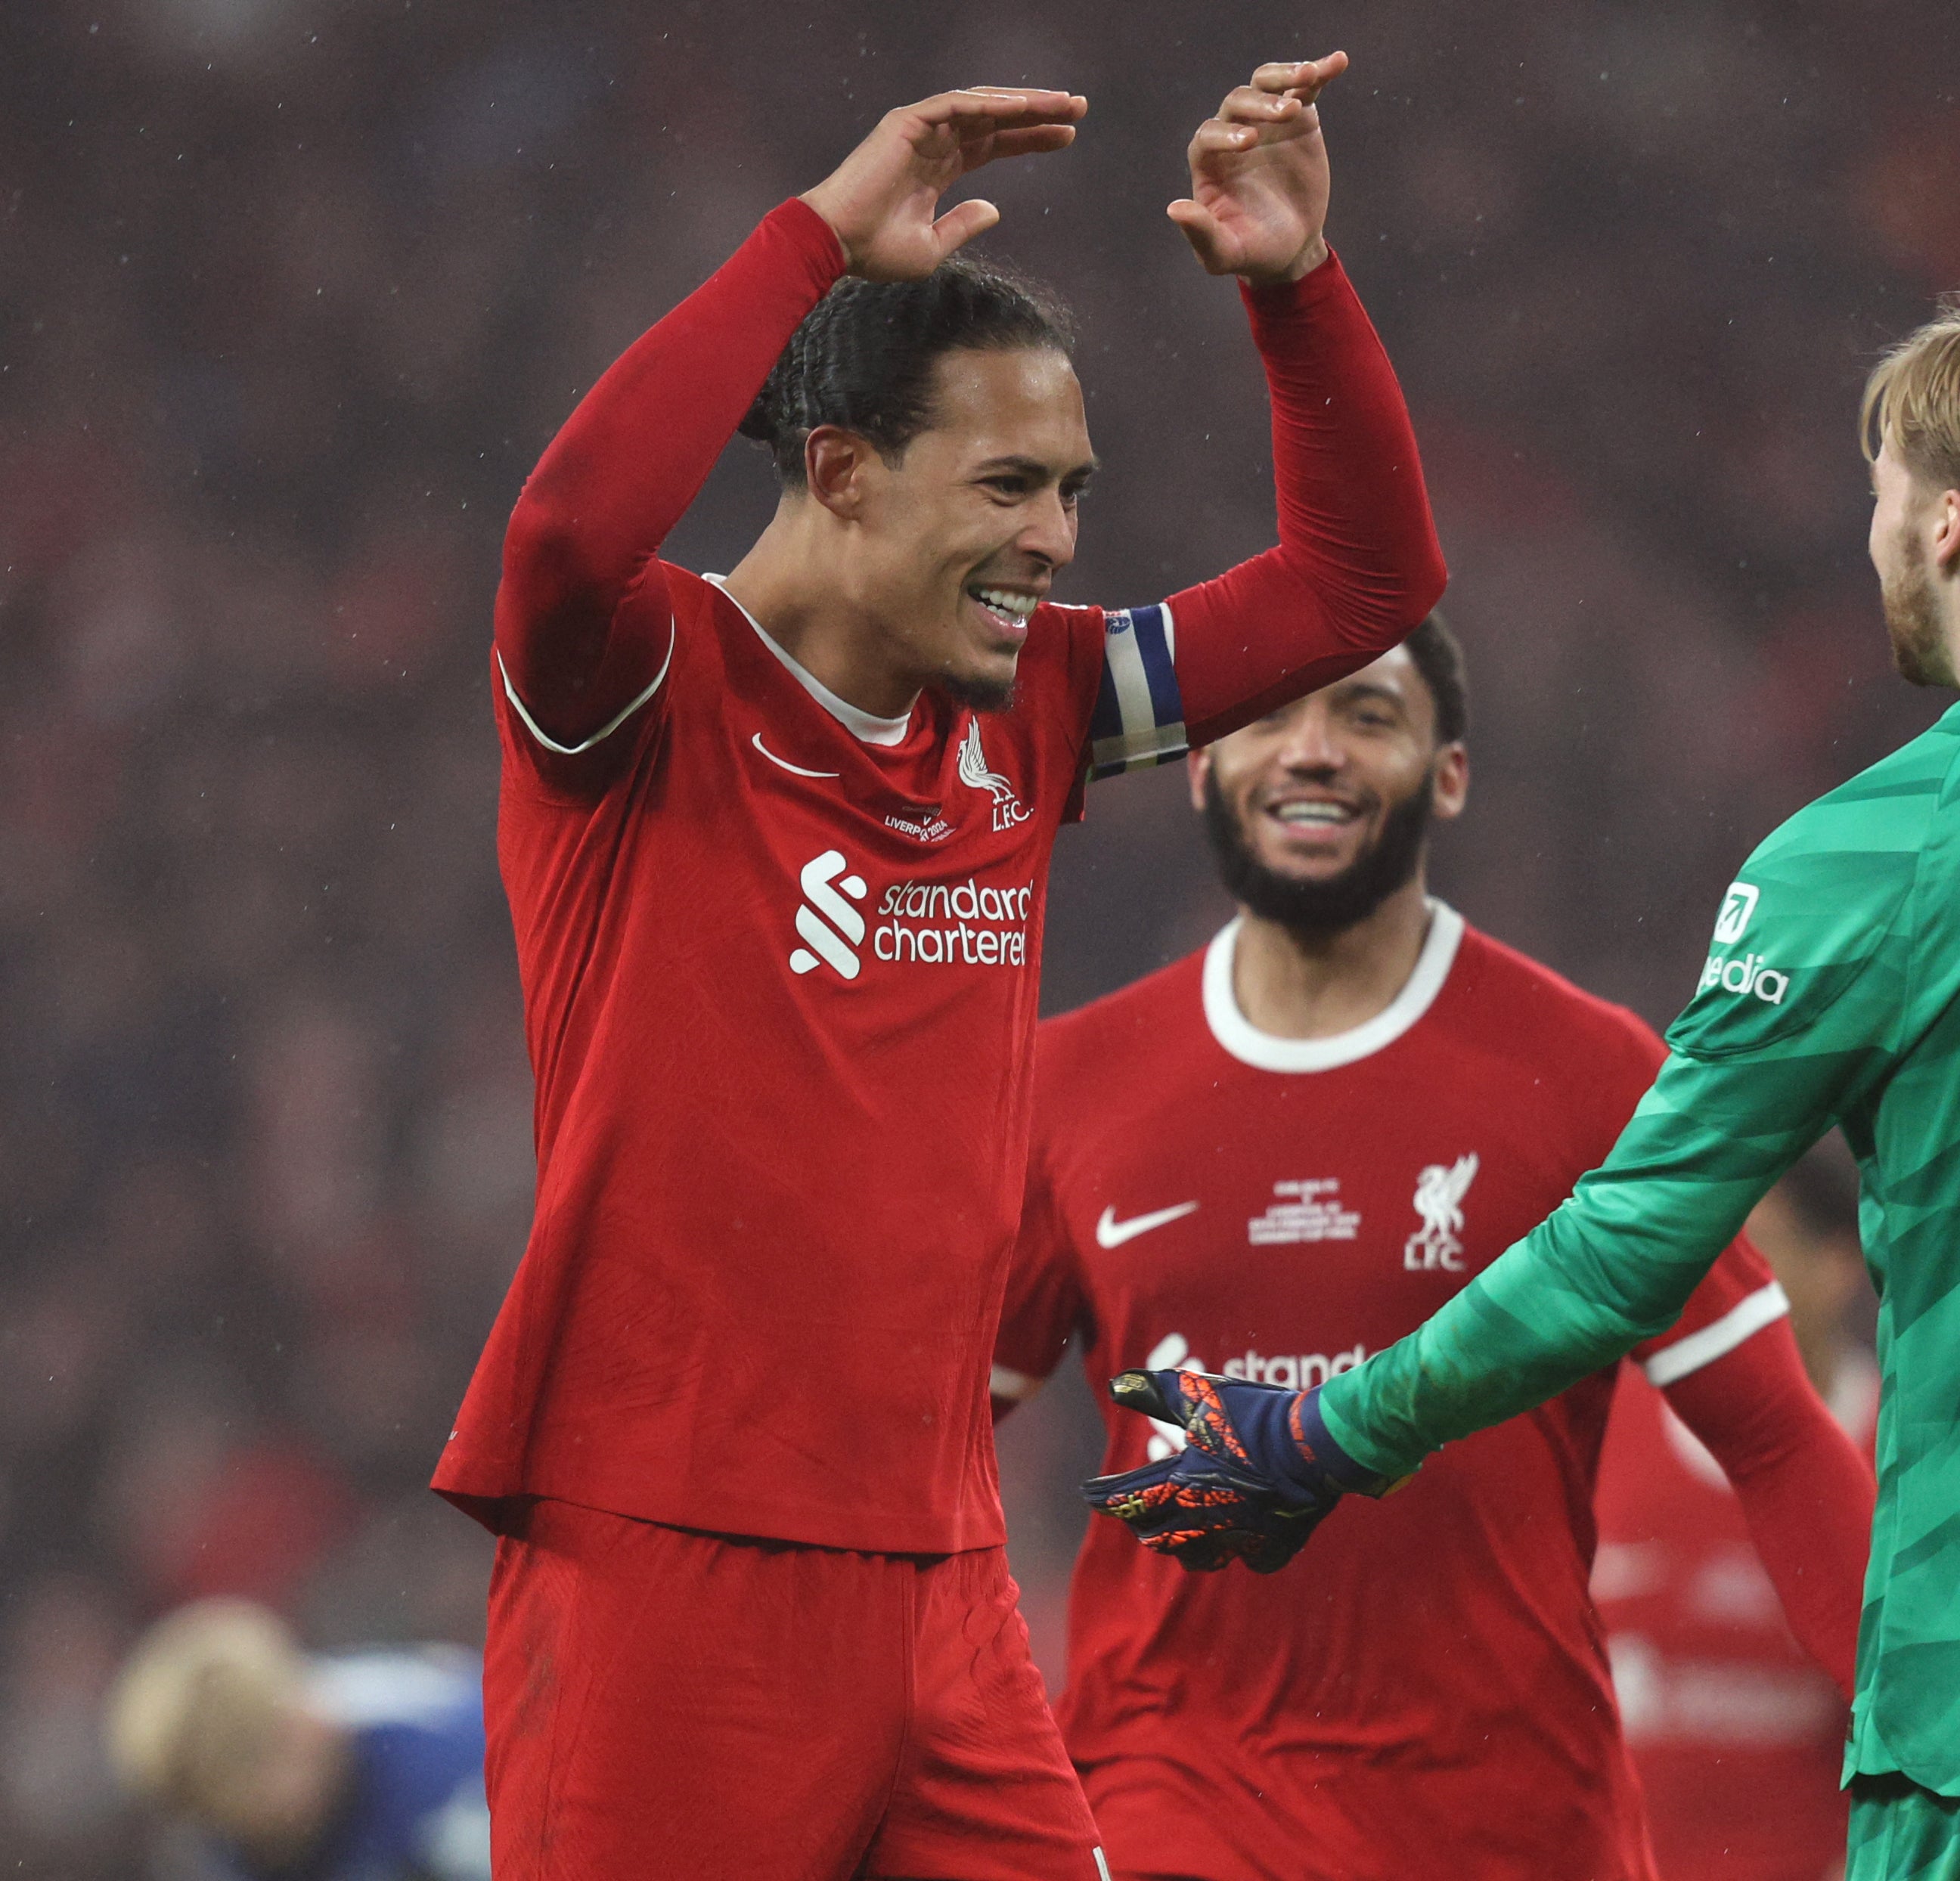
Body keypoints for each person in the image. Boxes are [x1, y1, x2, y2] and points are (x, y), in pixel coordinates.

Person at [1090, 287, 1960, 1881]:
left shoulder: (1873, 848)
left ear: (1950, 524)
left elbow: (1629, 1248)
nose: (1871, 534)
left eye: (1881, 494)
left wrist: (1327, 1431)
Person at [434, 54, 1445, 1881]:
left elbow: (1363, 585)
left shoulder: (1035, 705)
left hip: (947, 1570)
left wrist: (1295, 285)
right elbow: (563, 533)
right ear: (839, 470)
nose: (1053, 541)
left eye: (1068, 490)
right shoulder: (644, 688)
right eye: (1005, 486)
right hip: (669, 1553)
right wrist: (815, 239)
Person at [993, 616, 1874, 1881]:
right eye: (1267, 714)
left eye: (1365, 713)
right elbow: (918, 1446)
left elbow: (1779, 1434)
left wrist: (1927, 1739)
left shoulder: (1589, 1073)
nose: (1312, 750)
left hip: (1507, 1824)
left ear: (1447, 770)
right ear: (1196, 763)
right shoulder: (1070, 1084)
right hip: (1170, 1797)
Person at [1591, 1143, 1878, 1881]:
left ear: (1839, 1265)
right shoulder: (1595, 1430)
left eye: (1758, 1254)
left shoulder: (1907, 1456)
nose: (1725, 1285)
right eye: (1712, 1256)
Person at [104, 1600, 488, 1881]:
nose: (315, 1721)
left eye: (295, 1692)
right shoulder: (235, 1851)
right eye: (278, 1743)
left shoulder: (445, 1763)